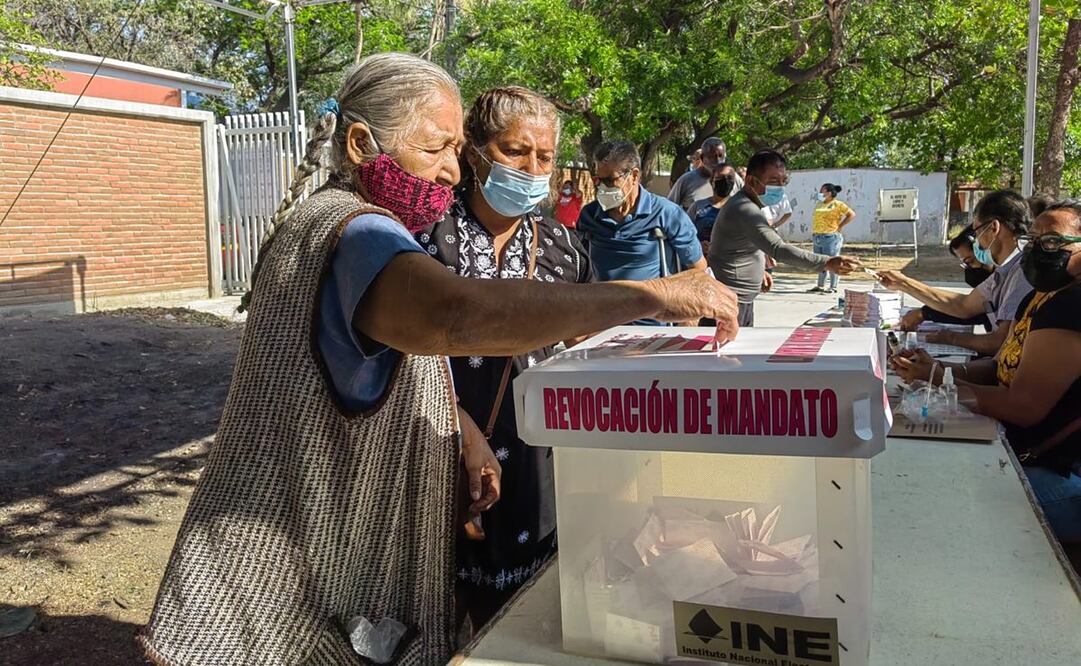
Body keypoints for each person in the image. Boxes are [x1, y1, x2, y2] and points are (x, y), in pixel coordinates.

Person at [140, 53, 740, 666]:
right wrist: (650, 295)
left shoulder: (349, 224)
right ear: (359, 144)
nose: (454, 172)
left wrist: (458, 430)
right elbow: (455, 318)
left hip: (319, 548)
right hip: (286, 569)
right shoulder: (357, 233)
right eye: (437, 150)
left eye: (456, 150)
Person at [418, 86, 592, 629]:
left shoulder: (563, 247)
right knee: (433, 612)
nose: (532, 168)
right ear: (475, 151)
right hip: (434, 444)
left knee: (519, 617)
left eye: (543, 157)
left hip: (535, 462)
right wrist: (467, 437)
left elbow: (581, 349)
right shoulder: (426, 238)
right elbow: (406, 358)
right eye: (516, 151)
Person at [892, 201, 1081, 563]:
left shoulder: (1072, 306)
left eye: (1054, 242)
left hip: (1059, 472)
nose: (1040, 250)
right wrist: (939, 371)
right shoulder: (1042, 295)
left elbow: (1023, 406)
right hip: (1022, 451)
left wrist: (942, 387)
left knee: (946, 502)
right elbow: (1000, 365)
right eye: (1035, 239)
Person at [708, 149, 861, 327]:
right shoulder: (744, 208)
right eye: (773, 182)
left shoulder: (751, 205)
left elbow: (744, 247)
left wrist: (759, 273)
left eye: (783, 181)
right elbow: (778, 248)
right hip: (728, 301)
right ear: (750, 180)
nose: (780, 188)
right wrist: (827, 262)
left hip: (739, 298)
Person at [878, 189, 1033, 357]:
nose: (977, 242)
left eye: (977, 232)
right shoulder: (1006, 270)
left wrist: (950, 339)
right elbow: (964, 305)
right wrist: (903, 283)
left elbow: (1001, 341)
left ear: (994, 228)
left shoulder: (1022, 273)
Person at [577, 140, 708, 325]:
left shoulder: (667, 214)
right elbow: (579, 268)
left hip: (653, 326)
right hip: (604, 324)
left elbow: (698, 269)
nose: (602, 187)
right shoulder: (589, 216)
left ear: (634, 175)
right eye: (598, 180)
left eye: (610, 180)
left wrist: (689, 319)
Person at [898, 226, 994, 332]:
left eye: (969, 262)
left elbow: (967, 309)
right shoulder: (991, 283)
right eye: (965, 265)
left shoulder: (1002, 281)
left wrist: (904, 284)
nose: (970, 270)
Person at [667, 137, 744, 211]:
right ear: (702, 158)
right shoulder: (686, 180)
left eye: (721, 156)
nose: (717, 160)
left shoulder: (733, 179)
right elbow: (669, 209)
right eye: (711, 157)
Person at [808, 183, 855, 294]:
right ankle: (820, 285)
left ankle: (833, 286)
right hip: (818, 236)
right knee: (820, 262)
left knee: (833, 261)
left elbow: (851, 214)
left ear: (829, 192)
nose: (820, 193)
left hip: (830, 237)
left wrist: (840, 226)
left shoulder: (837, 204)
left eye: (822, 191)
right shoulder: (820, 204)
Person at [687, 163, 738, 256]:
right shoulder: (698, 206)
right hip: (703, 262)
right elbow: (685, 233)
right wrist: (697, 246)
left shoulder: (739, 208)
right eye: (721, 177)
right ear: (712, 181)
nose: (725, 181)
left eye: (730, 178)